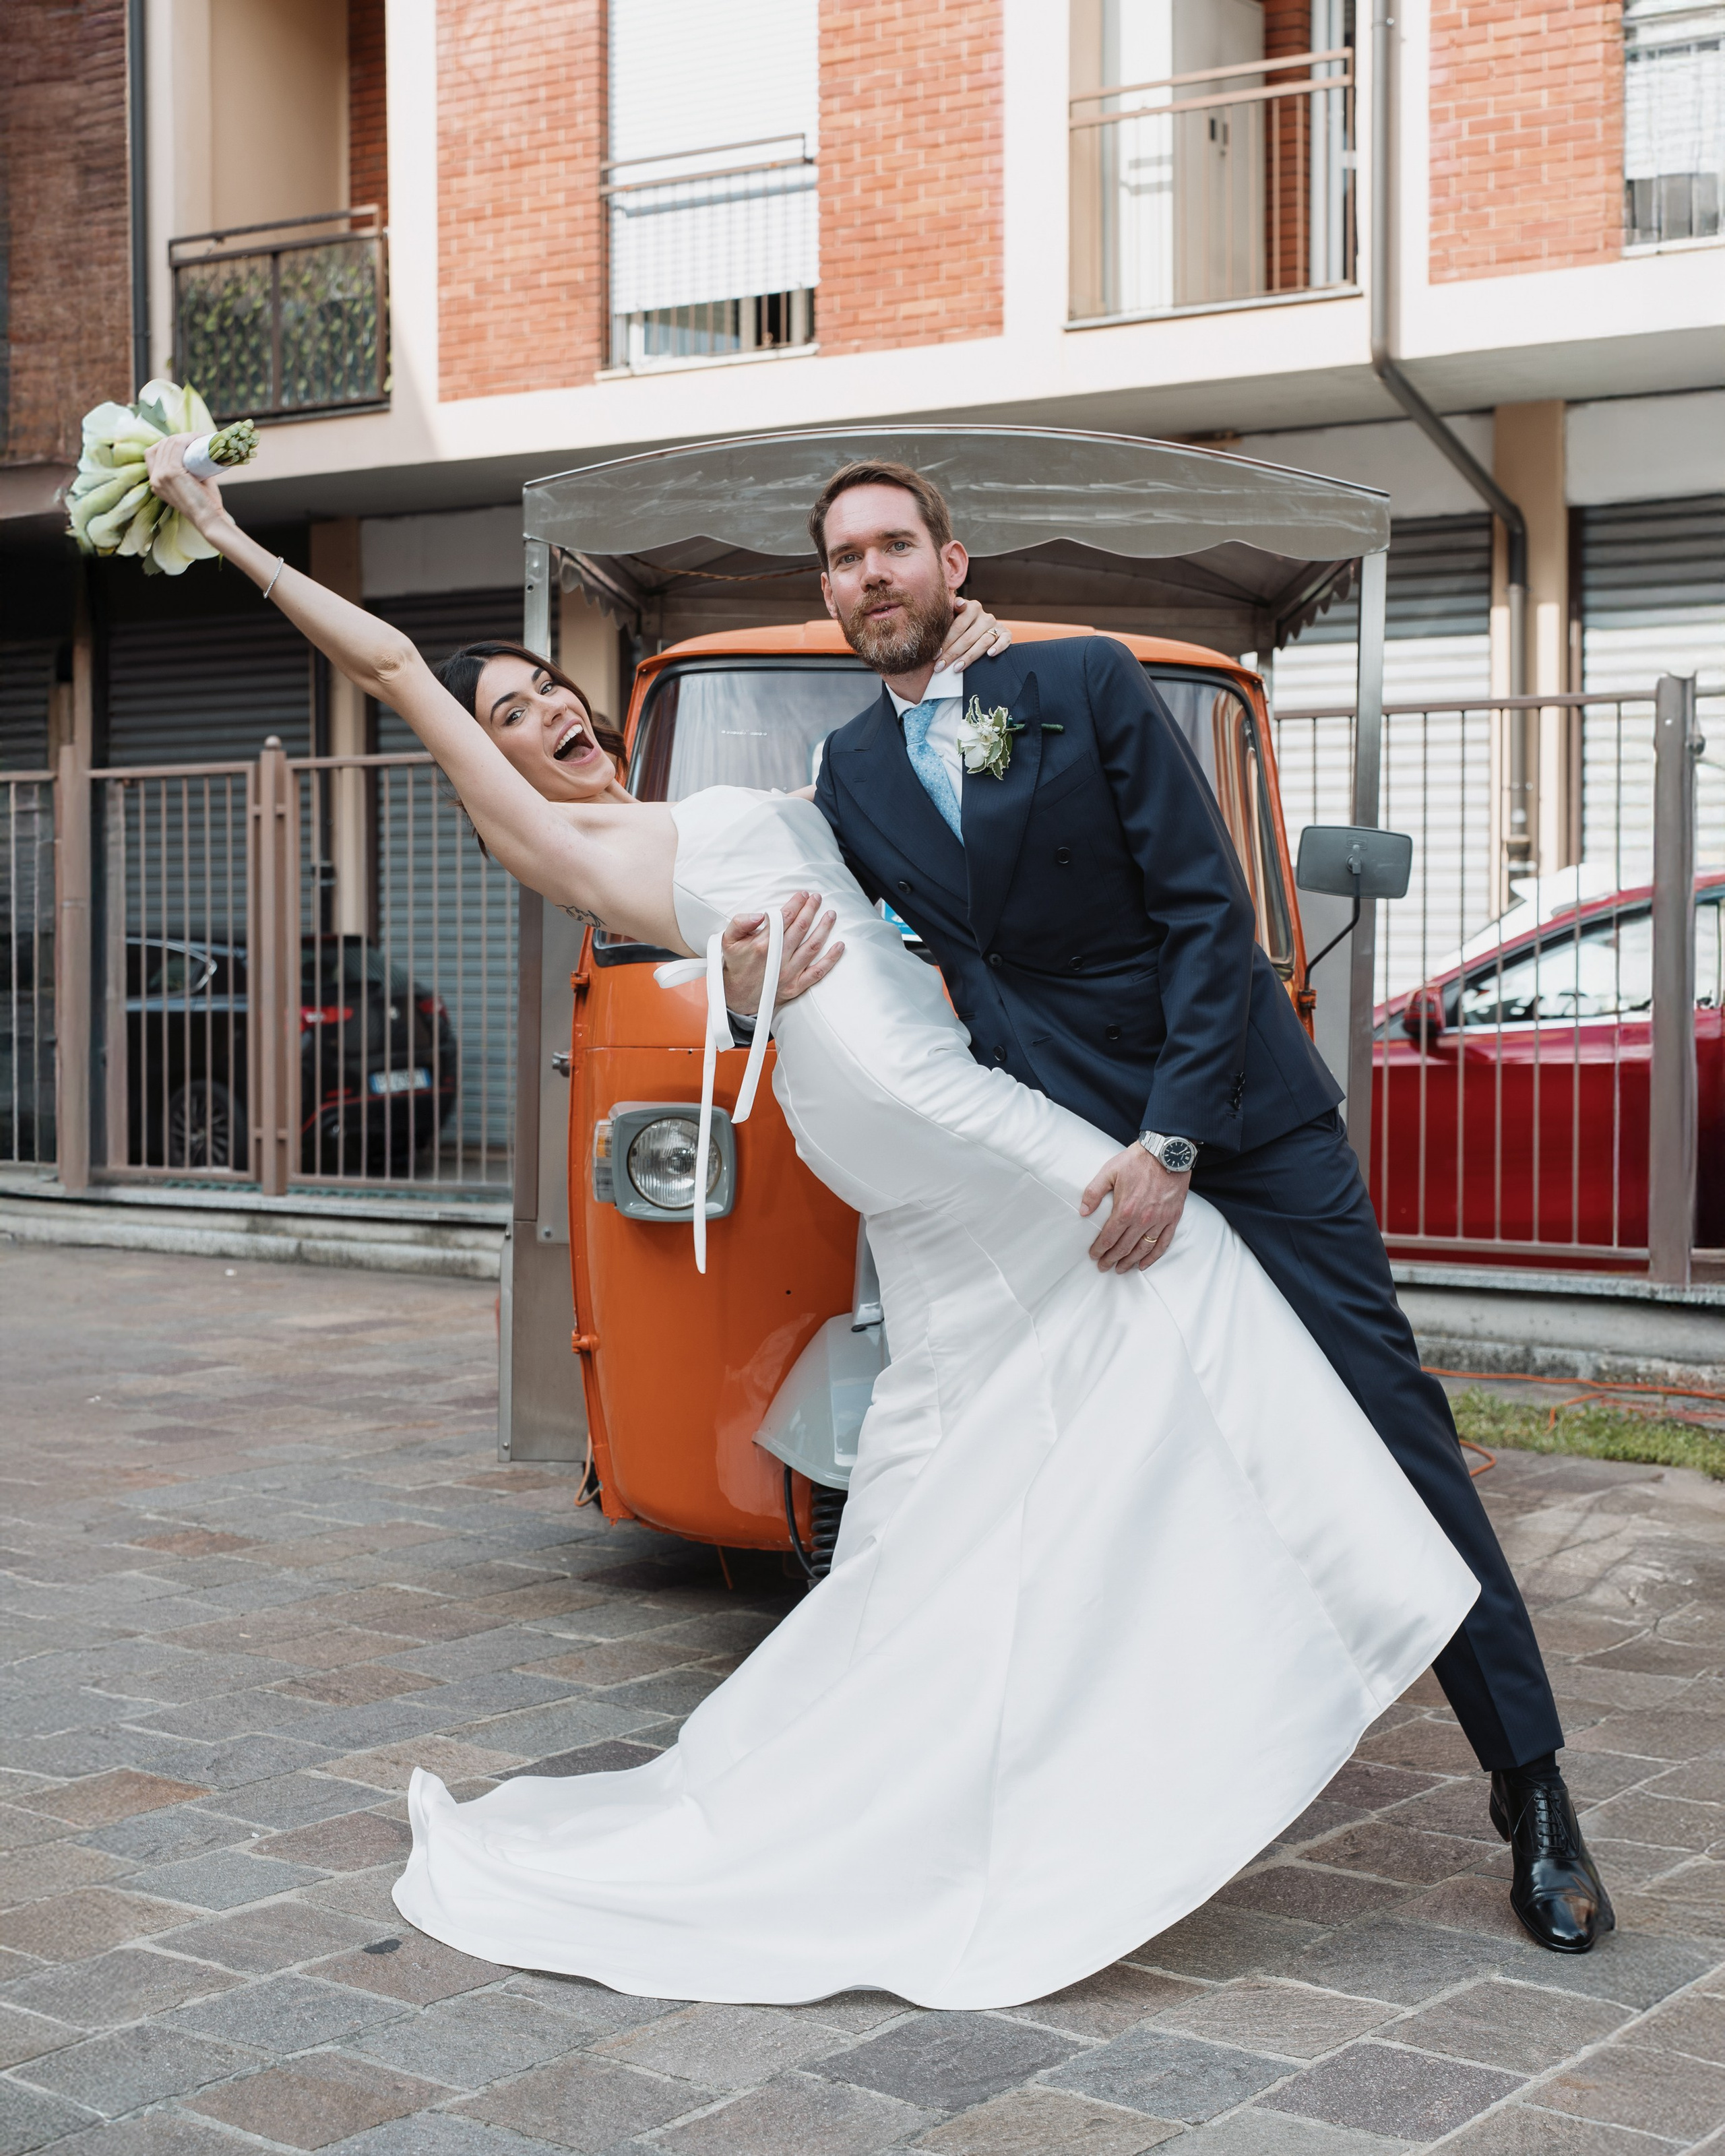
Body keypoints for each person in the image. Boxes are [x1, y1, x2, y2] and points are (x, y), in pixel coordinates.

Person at [143, 435, 1480, 2012]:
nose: (545, 715)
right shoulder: (558, 841)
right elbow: (381, 662)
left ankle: (993, 1711)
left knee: (961, 1431)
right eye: (505, 714)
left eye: (548, 692)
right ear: (484, 761)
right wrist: (223, 526)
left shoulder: (740, 793)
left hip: (926, 1076)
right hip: (919, 1103)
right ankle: (1326, 1616)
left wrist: (973, 678)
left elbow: (928, 824)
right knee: (1180, 1272)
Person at [794, 458, 1612, 1957]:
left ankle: (1533, 1782)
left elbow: (1204, 911)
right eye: (845, 558)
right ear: (829, 592)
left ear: (951, 561)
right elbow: (868, 948)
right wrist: (754, 981)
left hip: (1234, 1119)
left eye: (894, 545)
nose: (872, 574)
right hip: (1068, 1157)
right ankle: (1103, 1803)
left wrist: (1172, 1140)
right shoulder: (846, 773)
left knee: (1388, 1426)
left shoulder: (1078, 682)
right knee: (1100, 1468)